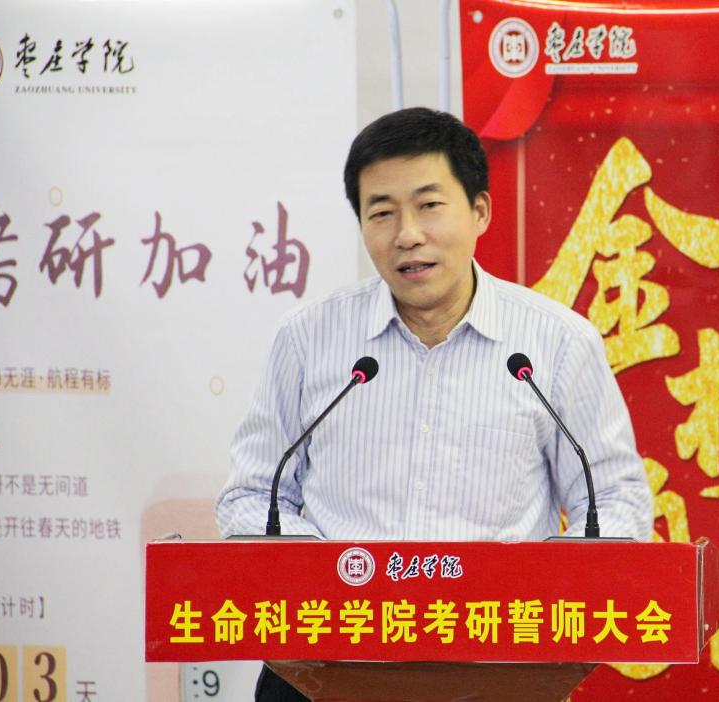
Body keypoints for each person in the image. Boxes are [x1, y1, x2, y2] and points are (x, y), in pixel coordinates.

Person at [215, 107, 652, 701]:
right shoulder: (307, 339)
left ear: (479, 211)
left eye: (428, 205)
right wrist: (336, 581)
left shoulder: (557, 343)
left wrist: (539, 586)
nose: (407, 234)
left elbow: (617, 501)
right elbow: (249, 497)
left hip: (497, 669)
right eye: (382, 213)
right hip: (324, 666)